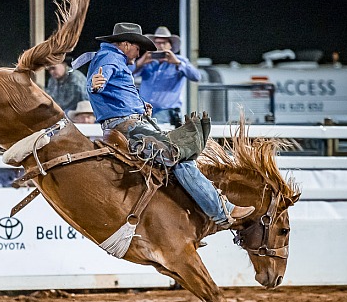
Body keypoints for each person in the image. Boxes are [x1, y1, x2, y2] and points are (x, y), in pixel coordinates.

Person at [85, 22, 254, 229]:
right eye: (138, 48)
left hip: (130, 122)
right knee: (178, 154)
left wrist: (139, 106)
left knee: (179, 155)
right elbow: (99, 81)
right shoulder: (111, 58)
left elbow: (112, 88)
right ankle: (220, 211)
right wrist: (96, 85)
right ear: (126, 44)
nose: (140, 53)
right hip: (128, 126)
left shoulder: (111, 57)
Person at [132, 26, 200, 128]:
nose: (160, 46)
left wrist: (177, 63)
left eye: (164, 43)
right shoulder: (147, 62)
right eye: (157, 43)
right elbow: (126, 74)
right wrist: (140, 62)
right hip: (144, 110)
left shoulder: (180, 60)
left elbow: (196, 76)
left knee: (156, 137)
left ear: (170, 46)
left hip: (166, 111)